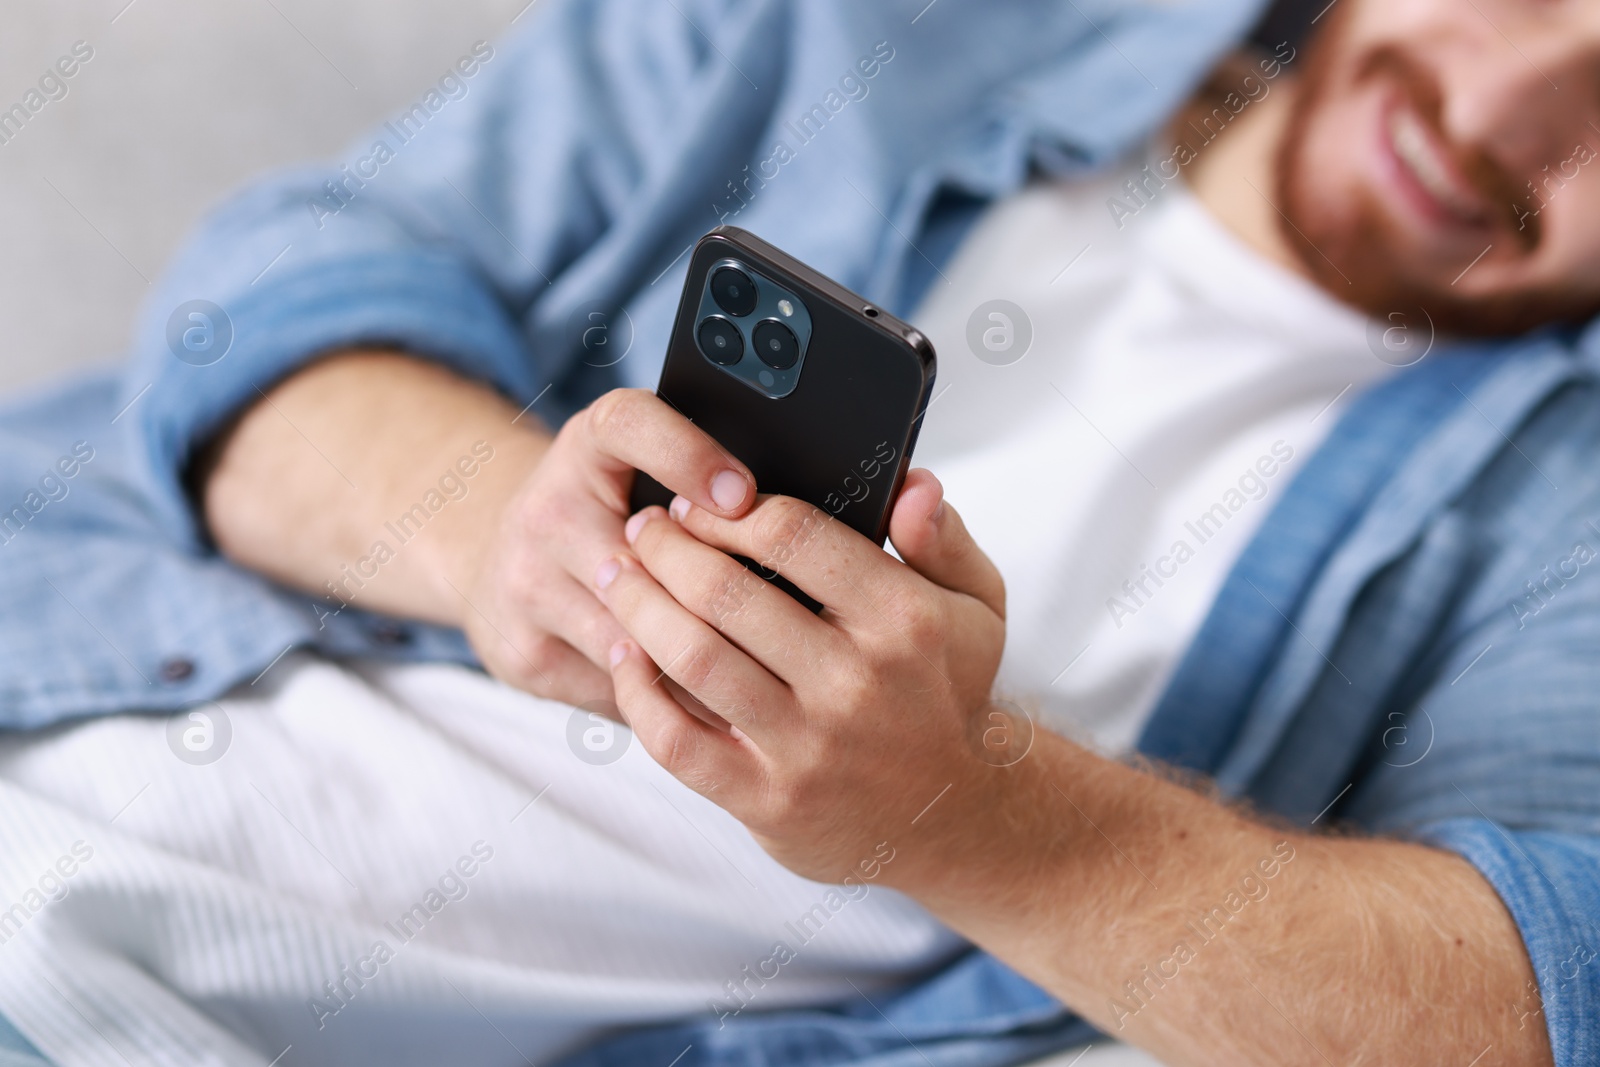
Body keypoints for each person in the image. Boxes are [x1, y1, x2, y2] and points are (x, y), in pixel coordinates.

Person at [0, 0, 1596, 1064]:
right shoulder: (883, 24)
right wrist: (509, 541)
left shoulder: (1562, 502)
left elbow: (1531, 1001)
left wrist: (965, 813)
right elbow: (273, 294)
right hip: (68, 722)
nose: (1500, 112)